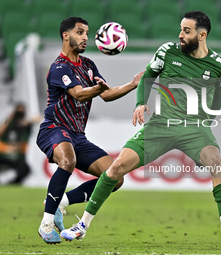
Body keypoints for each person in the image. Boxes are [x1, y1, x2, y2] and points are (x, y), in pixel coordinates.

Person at [60, 11, 221, 246]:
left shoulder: (220, 66)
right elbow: (148, 76)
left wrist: (203, 122)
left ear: (202, 35)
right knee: (117, 168)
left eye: (186, 31)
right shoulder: (167, 51)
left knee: (216, 162)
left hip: (193, 128)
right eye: (180, 29)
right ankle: (82, 225)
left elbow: (218, 101)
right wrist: (140, 103)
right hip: (160, 126)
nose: (180, 35)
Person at [36, 16, 143, 244]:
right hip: (54, 128)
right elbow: (78, 93)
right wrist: (96, 88)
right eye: (80, 32)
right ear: (66, 35)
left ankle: (60, 203)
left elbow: (106, 94)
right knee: (68, 160)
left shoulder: (88, 65)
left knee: (115, 177)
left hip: (77, 135)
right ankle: (46, 224)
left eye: (86, 33)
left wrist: (134, 84)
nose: (85, 37)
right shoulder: (58, 67)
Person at [0, 102, 38, 185]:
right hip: (2, 155)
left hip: (17, 157)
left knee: (25, 169)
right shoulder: (8, 123)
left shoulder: (26, 125)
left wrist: (26, 121)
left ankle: (13, 184)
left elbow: (38, 118)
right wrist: (9, 119)